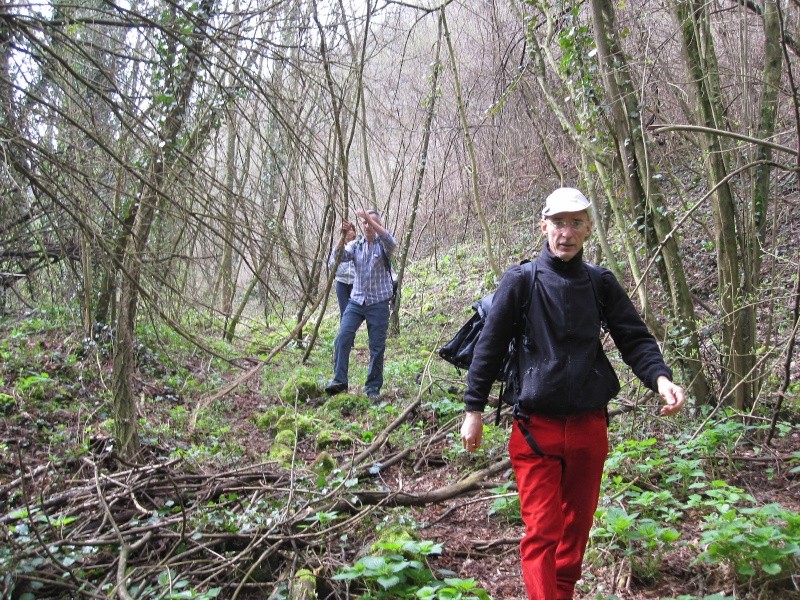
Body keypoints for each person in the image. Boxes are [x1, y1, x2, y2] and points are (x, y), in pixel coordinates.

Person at [460, 187, 686, 600]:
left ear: (588, 229)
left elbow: (634, 339)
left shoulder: (599, 282)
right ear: (543, 226)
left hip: (588, 426)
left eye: (576, 223)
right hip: (534, 429)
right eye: (559, 222)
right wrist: (473, 408)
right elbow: (489, 347)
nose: (566, 232)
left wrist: (660, 378)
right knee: (543, 530)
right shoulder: (520, 280)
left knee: (576, 531)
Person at [325, 209, 397, 400]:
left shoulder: (383, 246)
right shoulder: (356, 245)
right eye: (364, 223)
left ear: (377, 224)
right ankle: (339, 381)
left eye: (371, 223)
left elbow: (391, 241)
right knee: (342, 337)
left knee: (377, 346)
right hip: (356, 301)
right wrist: (342, 236)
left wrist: (369, 219)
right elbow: (335, 260)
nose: (367, 226)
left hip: (379, 302)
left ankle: (372, 388)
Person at [328, 223, 358, 316]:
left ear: (354, 233)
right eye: (346, 231)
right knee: (344, 311)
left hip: (356, 283)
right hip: (341, 283)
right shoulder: (337, 249)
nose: (348, 233)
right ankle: (344, 330)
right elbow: (331, 265)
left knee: (355, 311)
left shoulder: (358, 246)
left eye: (350, 230)